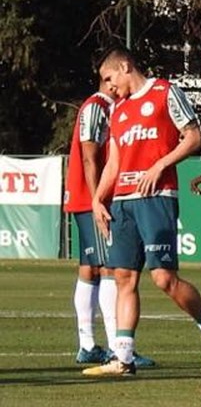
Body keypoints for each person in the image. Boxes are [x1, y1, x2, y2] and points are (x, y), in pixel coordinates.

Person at [82, 48, 201, 378]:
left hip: (156, 197)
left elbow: (194, 137)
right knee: (123, 278)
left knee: (163, 278)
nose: (108, 86)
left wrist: (161, 164)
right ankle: (123, 358)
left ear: (125, 66)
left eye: (109, 78)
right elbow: (114, 160)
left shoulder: (164, 92)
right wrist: (98, 199)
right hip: (123, 202)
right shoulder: (118, 110)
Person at [63, 68, 120, 365]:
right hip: (90, 199)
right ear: (109, 80)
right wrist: (97, 197)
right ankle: (116, 348)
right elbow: (89, 156)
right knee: (108, 267)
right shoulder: (96, 108)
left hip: (87, 198)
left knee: (89, 269)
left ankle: (88, 344)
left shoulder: (106, 107)